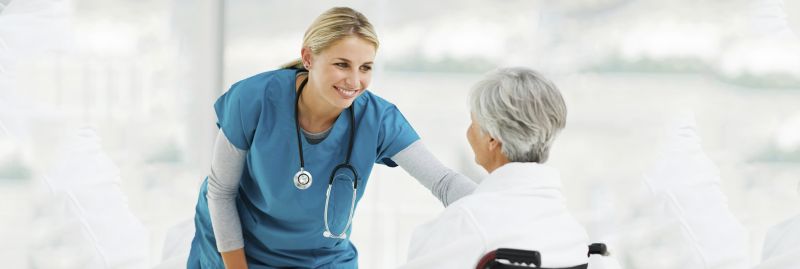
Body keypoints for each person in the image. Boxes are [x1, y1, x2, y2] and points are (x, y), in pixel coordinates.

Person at [186, 7, 477, 269]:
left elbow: (443, 182)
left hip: (322, 258)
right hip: (239, 249)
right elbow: (221, 192)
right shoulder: (253, 99)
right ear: (309, 58)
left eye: (365, 68)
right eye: (342, 64)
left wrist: (506, 203)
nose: (354, 81)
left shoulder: (379, 119)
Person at [401, 67, 590, 268]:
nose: (468, 132)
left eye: (472, 123)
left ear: (491, 138)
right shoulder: (574, 234)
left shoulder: (466, 221)